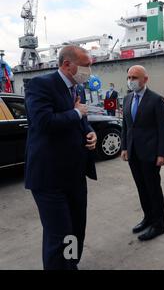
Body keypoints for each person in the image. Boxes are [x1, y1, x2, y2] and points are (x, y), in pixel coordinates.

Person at [25, 45, 98, 270]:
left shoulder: (77, 89)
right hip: (50, 178)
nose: (89, 70)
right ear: (68, 65)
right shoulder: (41, 85)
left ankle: (71, 264)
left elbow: (80, 120)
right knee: (59, 235)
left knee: (76, 229)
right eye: (86, 65)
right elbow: (44, 122)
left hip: (74, 175)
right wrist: (77, 113)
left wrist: (90, 132)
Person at [121, 65, 164, 241]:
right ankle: (148, 218)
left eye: (134, 77)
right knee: (141, 188)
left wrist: (162, 154)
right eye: (129, 77)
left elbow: (163, 130)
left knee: (153, 189)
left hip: (150, 155)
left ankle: (159, 225)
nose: (131, 81)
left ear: (145, 79)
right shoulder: (127, 99)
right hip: (133, 154)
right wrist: (124, 148)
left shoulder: (156, 100)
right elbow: (126, 126)